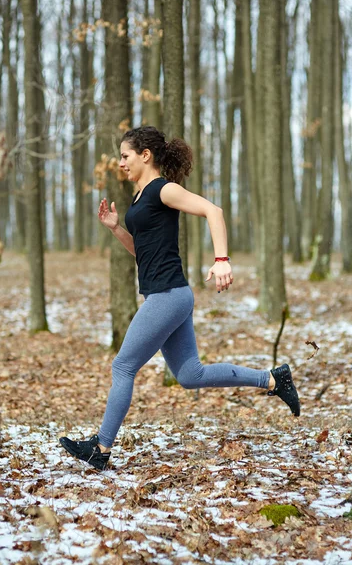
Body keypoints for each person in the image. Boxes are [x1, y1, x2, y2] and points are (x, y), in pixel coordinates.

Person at [60, 126, 300, 471]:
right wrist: (116, 228)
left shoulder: (164, 189)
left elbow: (213, 211)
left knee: (123, 365)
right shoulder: (141, 197)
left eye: (125, 155)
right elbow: (141, 254)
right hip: (168, 295)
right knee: (190, 375)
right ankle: (275, 379)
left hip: (168, 296)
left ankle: (101, 447)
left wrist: (221, 260)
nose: (121, 163)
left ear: (146, 156)